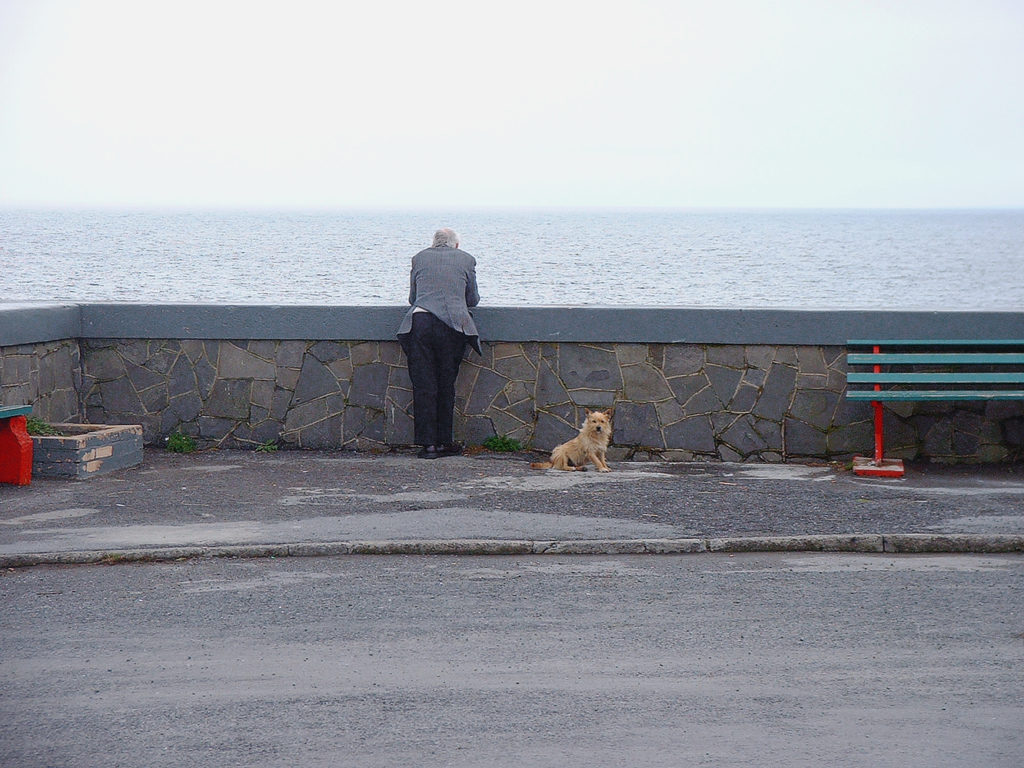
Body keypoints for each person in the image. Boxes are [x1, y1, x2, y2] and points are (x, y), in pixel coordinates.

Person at [397, 228, 481, 459]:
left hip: (420, 322)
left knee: (424, 384)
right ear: (455, 245)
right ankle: (444, 442)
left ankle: (428, 446)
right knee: (446, 383)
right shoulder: (467, 259)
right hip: (452, 326)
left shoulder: (419, 258)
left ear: (433, 244)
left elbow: (413, 298)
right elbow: (472, 299)